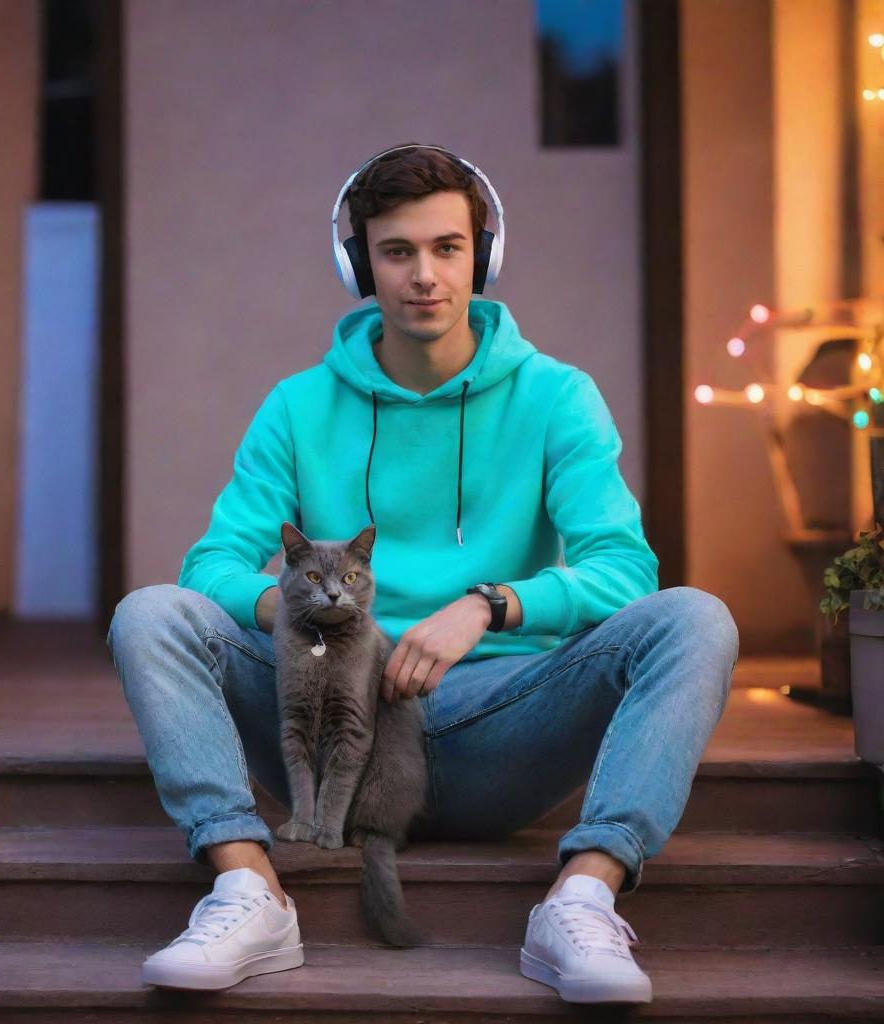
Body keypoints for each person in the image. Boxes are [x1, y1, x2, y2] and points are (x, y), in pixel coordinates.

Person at [106, 143, 740, 1004]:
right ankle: (248, 885)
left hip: (503, 722)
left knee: (695, 617)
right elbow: (209, 567)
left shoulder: (556, 397)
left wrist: (489, 604)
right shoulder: (298, 406)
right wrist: (309, 620)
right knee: (151, 612)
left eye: (448, 248)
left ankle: (582, 898)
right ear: (359, 264)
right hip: (331, 720)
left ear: (483, 253)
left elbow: (626, 570)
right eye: (396, 251)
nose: (425, 276)